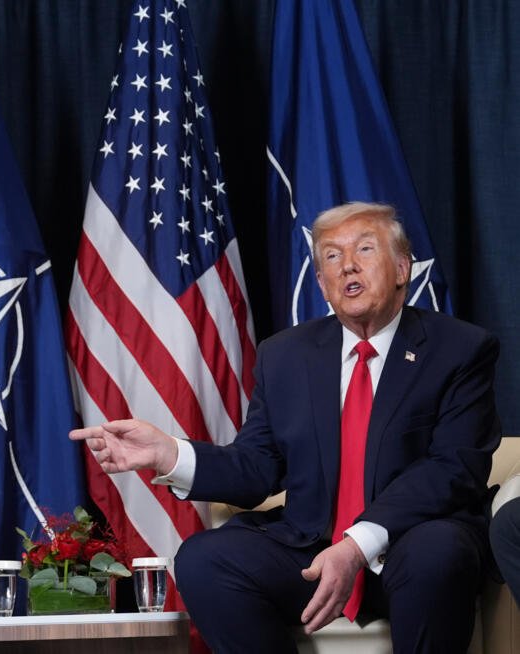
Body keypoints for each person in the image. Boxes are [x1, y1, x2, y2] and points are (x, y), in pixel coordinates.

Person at [71, 202, 500, 653]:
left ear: (401, 268)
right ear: (321, 284)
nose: (347, 265)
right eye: (331, 256)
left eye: (365, 249)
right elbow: (257, 467)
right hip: (311, 547)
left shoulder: (460, 349)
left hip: (410, 544)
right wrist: (170, 455)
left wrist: (356, 545)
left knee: (439, 552)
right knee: (203, 559)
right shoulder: (286, 355)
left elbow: (452, 469)